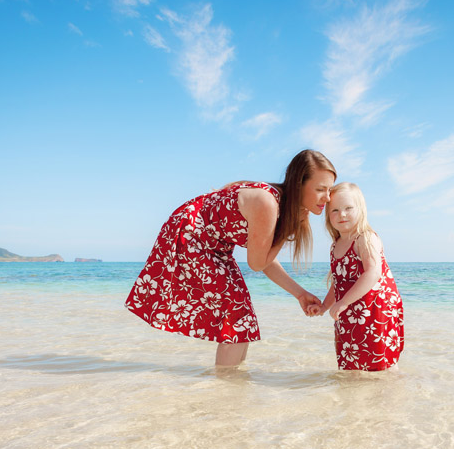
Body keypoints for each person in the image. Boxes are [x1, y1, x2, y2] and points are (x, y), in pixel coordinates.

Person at [126, 150, 336, 367]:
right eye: (320, 189)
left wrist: (300, 293)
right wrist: (289, 228)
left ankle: (232, 382)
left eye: (330, 190)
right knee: (237, 318)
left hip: (215, 246)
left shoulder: (282, 205)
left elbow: (263, 259)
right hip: (191, 235)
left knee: (242, 319)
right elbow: (257, 264)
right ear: (298, 184)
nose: (328, 198)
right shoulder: (267, 202)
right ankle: (225, 382)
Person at [308, 182, 404, 371]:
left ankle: (389, 388)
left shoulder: (365, 238)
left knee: (380, 362)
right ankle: (354, 391)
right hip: (350, 313)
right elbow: (339, 283)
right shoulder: (335, 245)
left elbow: (373, 272)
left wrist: (343, 302)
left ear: (361, 209)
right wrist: (324, 306)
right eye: (335, 210)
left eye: (348, 208)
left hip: (375, 311)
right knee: (353, 362)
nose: (342, 215)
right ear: (327, 215)